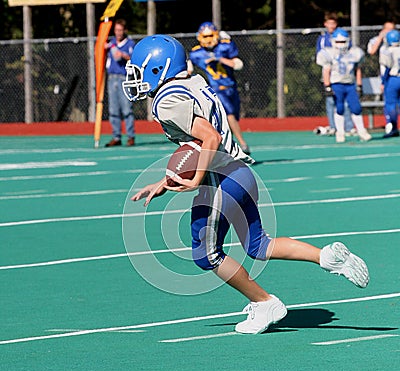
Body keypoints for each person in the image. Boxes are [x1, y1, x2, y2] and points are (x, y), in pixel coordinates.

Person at [123, 34, 369, 334]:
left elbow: (209, 137)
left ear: (157, 68)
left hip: (219, 179)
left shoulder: (167, 102)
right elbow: (199, 143)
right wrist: (169, 178)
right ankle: (327, 257)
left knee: (206, 254)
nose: (133, 77)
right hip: (239, 173)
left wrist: (195, 179)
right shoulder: (192, 83)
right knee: (258, 244)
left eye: (138, 70)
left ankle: (265, 302)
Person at [187, 22, 250, 155]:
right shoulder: (197, 53)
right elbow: (188, 68)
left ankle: (228, 148)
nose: (208, 39)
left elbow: (238, 64)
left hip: (231, 87)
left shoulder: (224, 46)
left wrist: (219, 59)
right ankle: (243, 144)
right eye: (205, 36)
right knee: (229, 116)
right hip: (216, 89)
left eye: (210, 35)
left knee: (233, 119)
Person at [317, 28, 372, 143]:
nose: (341, 45)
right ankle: (340, 132)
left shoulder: (354, 52)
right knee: (340, 108)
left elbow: (357, 69)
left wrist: (359, 84)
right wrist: (327, 86)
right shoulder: (328, 53)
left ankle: (362, 131)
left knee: (356, 108)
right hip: (337, 84)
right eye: (338, 42)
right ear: (333, 41)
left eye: (343, 42)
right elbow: (326, 70)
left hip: (350, 84)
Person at [316, 13, 354, 136]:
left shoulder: (343, 35)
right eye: (329, 23)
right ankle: (333, 126)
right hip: (330, 73)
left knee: (345, 101)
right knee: (330, 100)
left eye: (333, 23)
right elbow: (321, 56)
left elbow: (350, 54)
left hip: (342, 74)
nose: (331, 26)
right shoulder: (322, 39)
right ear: (325, 24)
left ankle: (348, 127)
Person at [104, 19, 136, 147]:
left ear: (124, 31)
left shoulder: (129, 43)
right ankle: (116, 136)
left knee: (126, 108)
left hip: (124, 79)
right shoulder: (111, 43)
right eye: (116, 30)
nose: (118, 33)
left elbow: (132, 58)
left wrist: (122, 55)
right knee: (113, 109)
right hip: (111, 78)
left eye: (120, 30)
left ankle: (130, 136)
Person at [367, 20, 398, 137]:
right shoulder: (378, 40)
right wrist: (380, 38)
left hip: (392, 77)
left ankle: (392, 127)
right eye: (387, 29)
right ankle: (391, 126)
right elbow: (371, 51)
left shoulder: (396, 41)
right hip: (389, 77)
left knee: (392, 103)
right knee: (390, 103)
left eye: (391, 29)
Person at [379, 30, 400, 137]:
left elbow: (387, 67)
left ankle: (393, 127)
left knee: (391, 105)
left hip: (393, 79)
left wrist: (383, 81)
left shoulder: (387, 51)